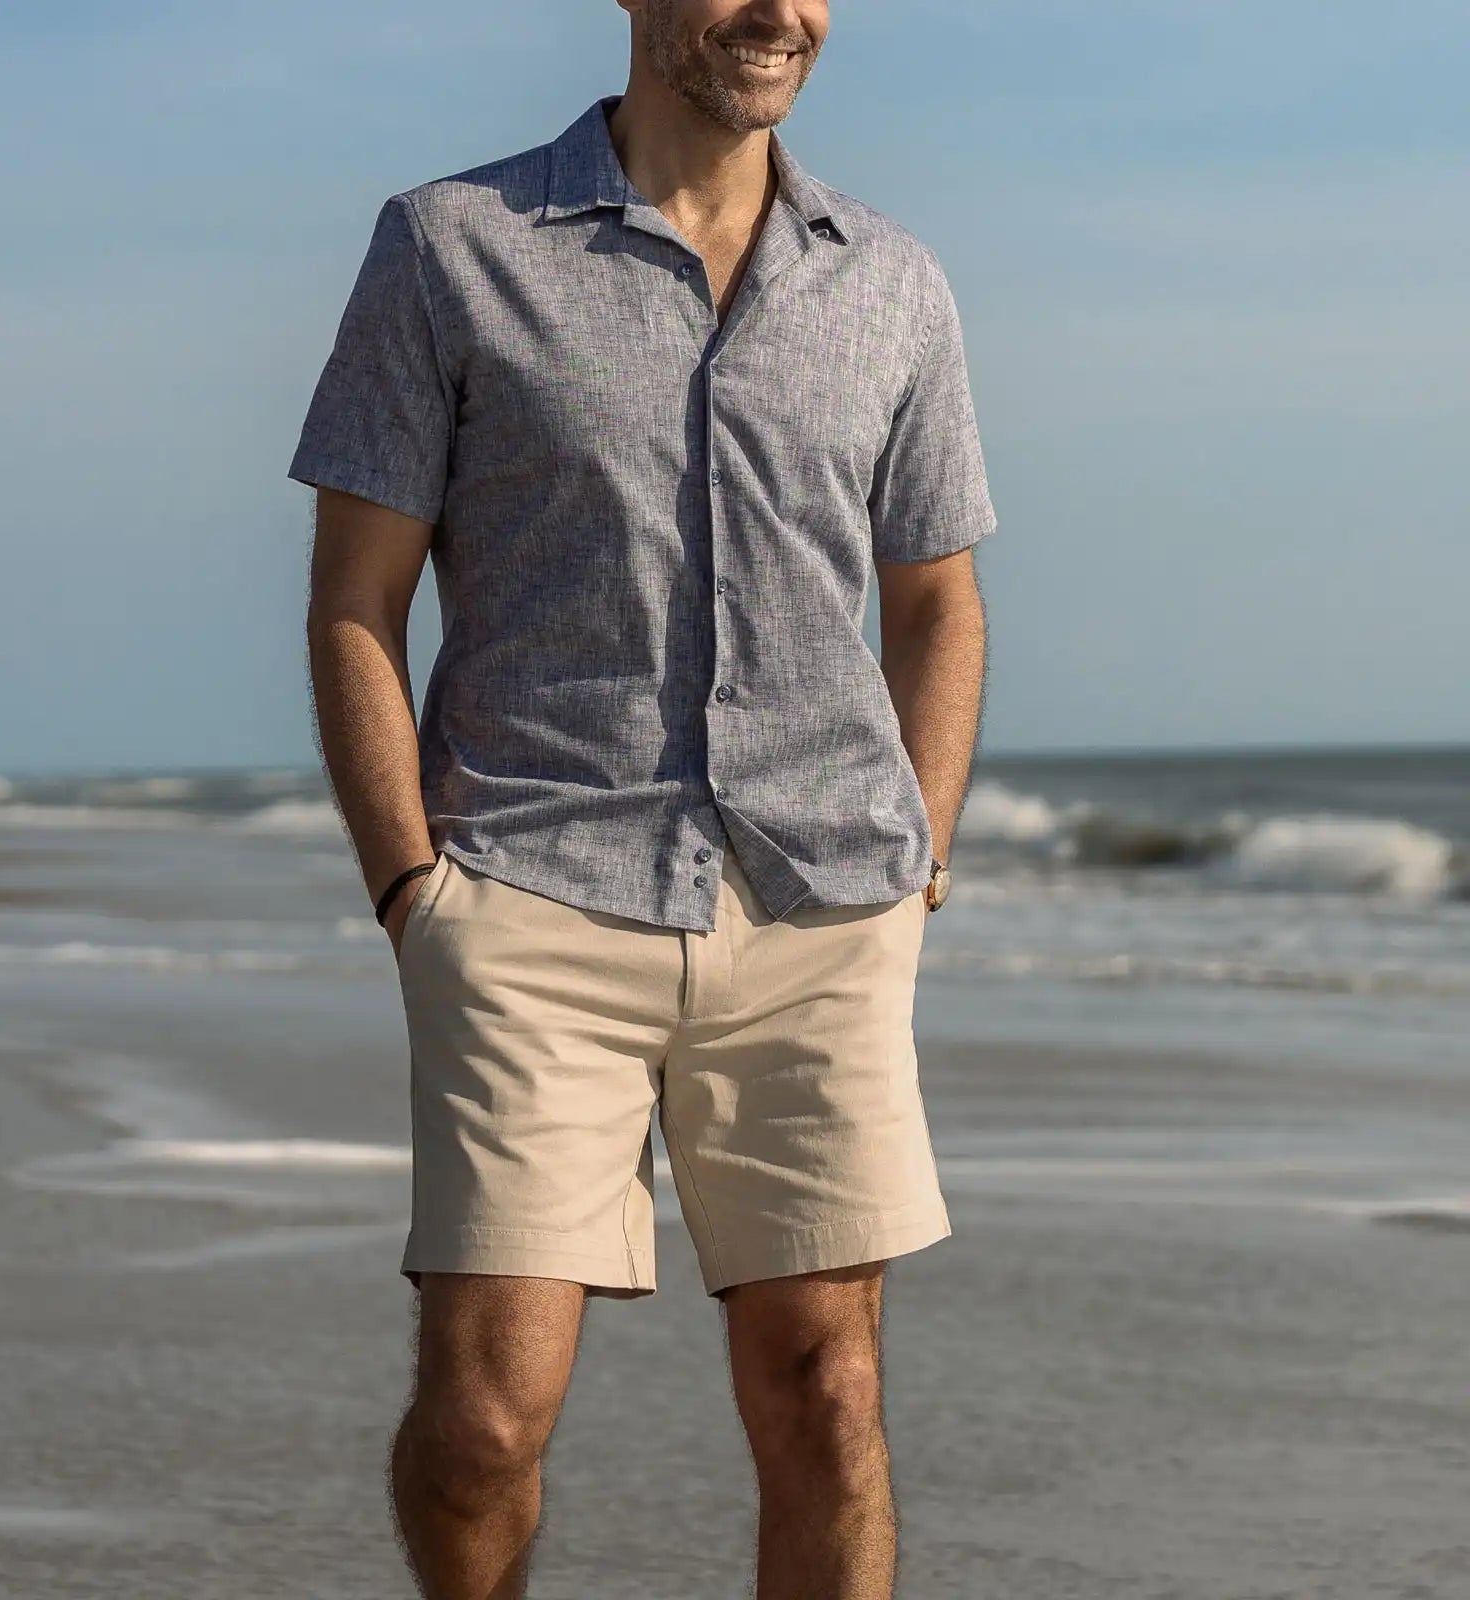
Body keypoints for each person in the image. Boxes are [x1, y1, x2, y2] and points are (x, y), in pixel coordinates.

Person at [289, 2, 997, 1593]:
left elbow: (938, 599)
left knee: (828, 1396)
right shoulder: (450, 245)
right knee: (484, 1419)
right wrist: (416, 892)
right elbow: (355, 601)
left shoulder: (890, 280)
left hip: (823, 911)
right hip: (533, 894)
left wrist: (921, 865)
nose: (780, 11)